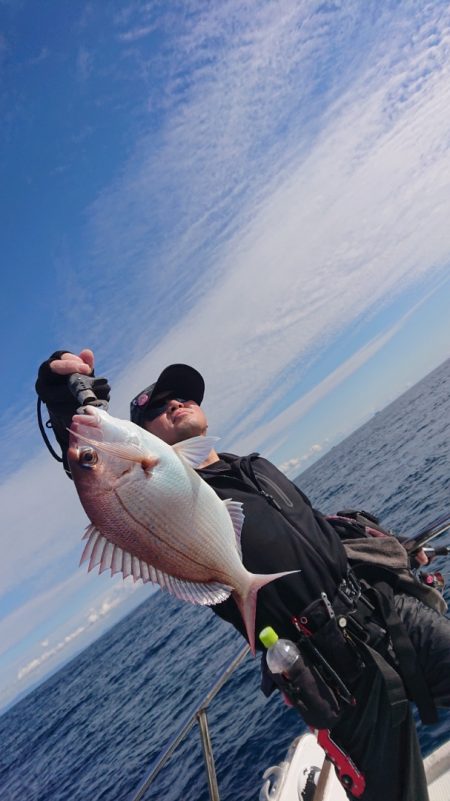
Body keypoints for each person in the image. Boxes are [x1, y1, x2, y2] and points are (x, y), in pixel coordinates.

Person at [36, 348, 450, 801]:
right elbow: (92, 465)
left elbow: (314, 533)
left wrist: (387, 553)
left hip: (385, 613)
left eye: (182, 397)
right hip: (336, 672)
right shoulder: (176, 497)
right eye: (157, 407)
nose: (175, 404)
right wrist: (64, 401)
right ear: (140, 434)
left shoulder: (253, 467)